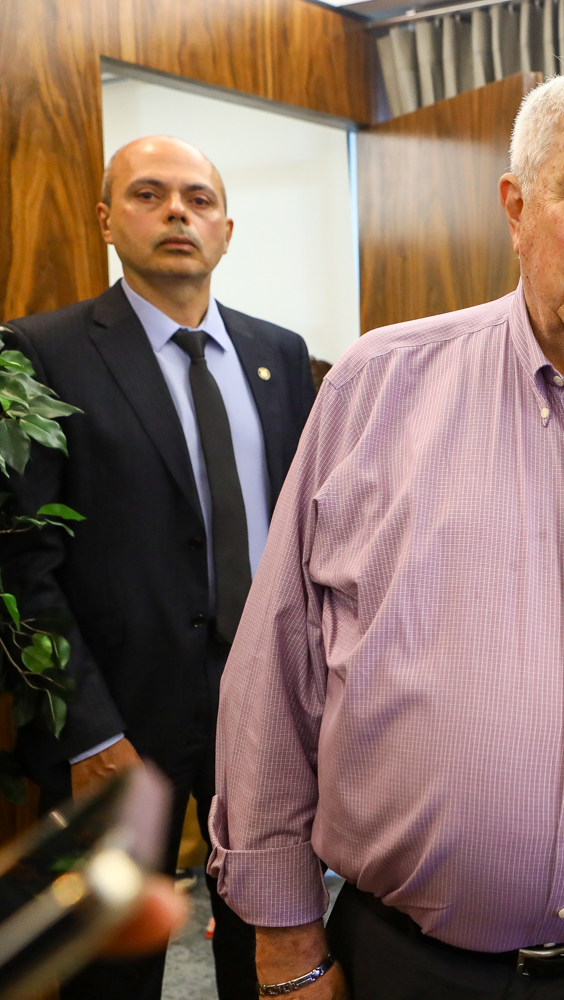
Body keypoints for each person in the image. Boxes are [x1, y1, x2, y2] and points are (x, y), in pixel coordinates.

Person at [209, 68, 564, 1000]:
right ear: (517, 207)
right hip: (413, 969)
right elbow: (274, 676)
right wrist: (287, 945)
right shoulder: (376, 388)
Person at [0, 136, 316, 1000]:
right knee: (111, 963)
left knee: (270, 946)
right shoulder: (39, 352)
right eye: (149, 194)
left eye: (198, 198)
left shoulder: (281, 354)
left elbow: (309, 534)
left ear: (226, 230)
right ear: (107, 221)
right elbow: (23, 564)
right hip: (120, 721)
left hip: (264, 710)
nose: (178, 211)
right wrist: (89, 732)